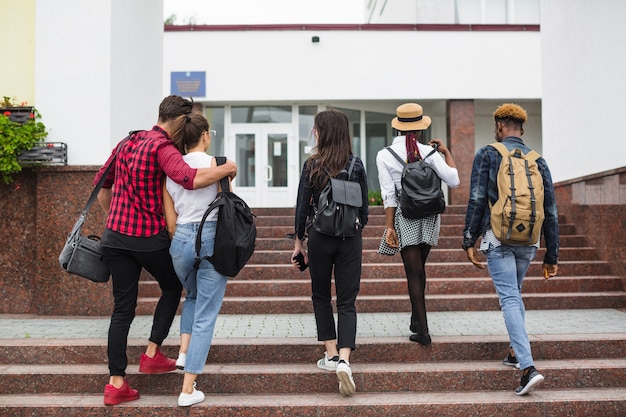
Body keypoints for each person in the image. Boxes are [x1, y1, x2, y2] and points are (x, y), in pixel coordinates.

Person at [95, 95, 237, 406]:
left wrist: (113, 217)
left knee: (122, 310)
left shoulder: (126, 141)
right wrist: (227, 167)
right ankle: (151, 353)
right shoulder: (163, 147)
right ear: (179, 122)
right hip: (146, 237)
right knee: (174, 286)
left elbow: (102, 184)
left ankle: (116, 383)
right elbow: (189, 178)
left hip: (115, 238)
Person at [461, 103, 559, 396]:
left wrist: (469, 239)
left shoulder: (488, 153)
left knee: (509, 299)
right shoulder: (537, 160)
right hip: (529, 240)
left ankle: (528, 368)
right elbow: (550, 208)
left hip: (498, 237)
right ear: (522, 129)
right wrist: (552, 254)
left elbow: (478, 199)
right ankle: (516, 354)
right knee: (515, 294)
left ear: (499, 126)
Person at [292, 109, 369, 397]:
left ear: (323, 132)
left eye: (316, 128)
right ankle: (346, 361)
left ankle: (332, 354)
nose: (314, 132)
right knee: (347, 301)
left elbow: (302, 206)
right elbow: (364, 212)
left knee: (321, 296)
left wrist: (299, 242)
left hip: (320, 238)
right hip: (350, 239)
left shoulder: (312, 164)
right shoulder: (356, 164)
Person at [375, 102, 460, 345]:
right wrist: (446, 152)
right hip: (431, 215)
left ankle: (423, 331)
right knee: (419, 269)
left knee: (414, 272)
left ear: (398, 128)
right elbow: (454, 181)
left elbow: (388, 195)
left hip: (406, 215)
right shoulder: (430, 152)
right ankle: (416, 320)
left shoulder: (385, 155)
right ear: (421, 129)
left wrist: (389, 227)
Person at [162, 113, 230, 407]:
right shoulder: (218, 164)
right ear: (204, 136)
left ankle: (182, 353)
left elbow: (171, 223)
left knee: (192, 296)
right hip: (212, 238)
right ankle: (188, 390)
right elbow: (227, 206)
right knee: (206, 313)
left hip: (181, 242)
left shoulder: (172, 170)